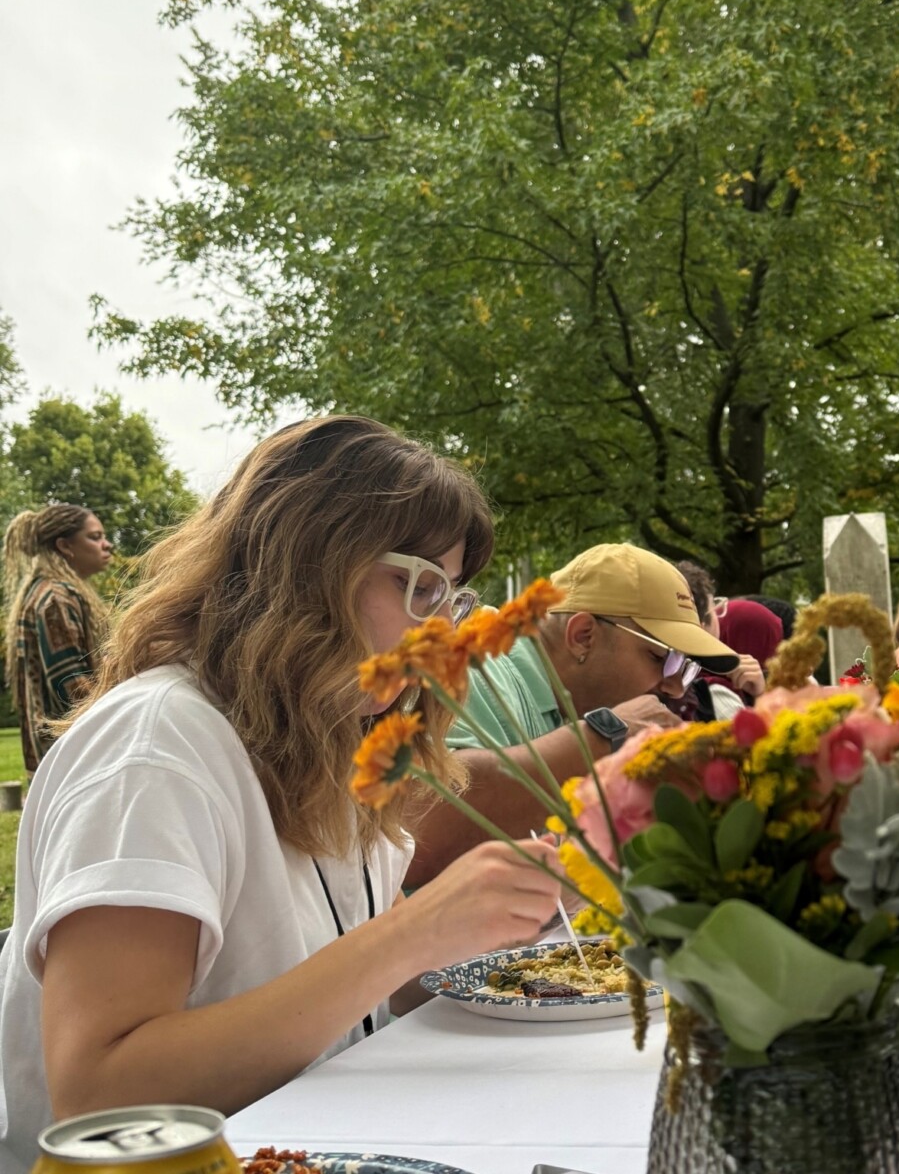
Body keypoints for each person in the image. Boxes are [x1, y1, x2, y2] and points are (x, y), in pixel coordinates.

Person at [0, 417, 563, 1173]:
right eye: (419, 585)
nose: (443, 637)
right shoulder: (156, 748)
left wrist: (476, 935)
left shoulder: (325, 741)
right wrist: (412, 935)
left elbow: (355, 1002)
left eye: (452, 599)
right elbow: (103, 1095)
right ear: (306, 562)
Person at [410, 543, 738, 884]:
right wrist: (603, 736)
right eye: (663, 659)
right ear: (583, 636)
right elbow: (422, 824)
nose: (676, 688)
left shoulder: (568, 700)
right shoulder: (478, 670)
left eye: (686, 668)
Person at [2, 504, 113, 773]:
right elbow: (72, 686)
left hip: (59, 758)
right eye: (95, 537)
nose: (107, 545)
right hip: (71, 760)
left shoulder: (48, 593)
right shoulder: (55, 599)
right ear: (65, 546)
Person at [672, 560, 762, 721]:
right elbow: (761, 744)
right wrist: (763, 697)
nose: (719, 619)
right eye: (715, 608)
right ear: (701, 625)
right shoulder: (715, 694)